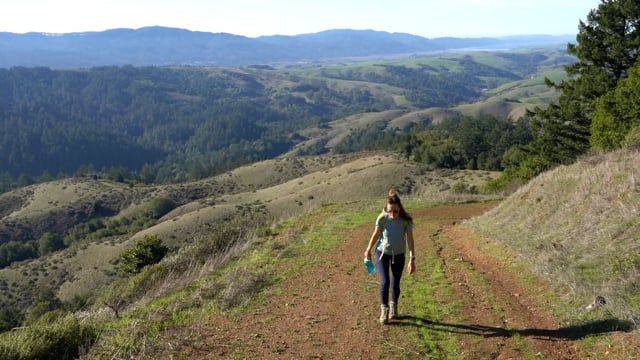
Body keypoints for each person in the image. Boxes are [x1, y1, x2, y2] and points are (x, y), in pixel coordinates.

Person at [364, 190, 415, 324]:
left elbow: (410, 240)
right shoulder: (382, 218)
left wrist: (412, 258)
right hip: (382, 254)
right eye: (389, 211)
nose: (392, 214)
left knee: (395, 283)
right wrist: (368, 249)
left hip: (398, 255)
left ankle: (394, 307)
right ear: (386, 209)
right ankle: (384, 310)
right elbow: (376, 235)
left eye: (395, 211)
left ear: (400, 209)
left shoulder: (406, 221)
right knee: (385, 281)